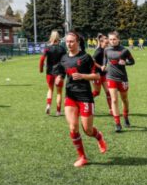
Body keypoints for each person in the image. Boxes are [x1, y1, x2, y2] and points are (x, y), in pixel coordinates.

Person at [58, 31, 107, 168]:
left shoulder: (86, 57)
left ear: (78, 42)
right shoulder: (64, 58)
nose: (69, 44)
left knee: (88, 130)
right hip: (70, 96)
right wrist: (59, 78)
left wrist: (83, 76)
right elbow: (62, 72)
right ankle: (82, 157)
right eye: (67, 41)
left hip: (85, 96)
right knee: (73, 128)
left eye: (72, 41)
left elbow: (97, 76)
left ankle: (99, 136)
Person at [103, 31, 135, 132]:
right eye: (111, 39)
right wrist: (104, 65)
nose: (112, 41)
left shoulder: (124, 50)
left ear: (118, 39)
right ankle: (117, 123)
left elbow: (132, 61)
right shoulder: (106, 49)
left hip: (122, 78)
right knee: (114, 100)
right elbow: (105, 58)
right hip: (110, 77)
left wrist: (125, 62)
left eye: (114, 39)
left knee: (124, 99)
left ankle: (125, 116)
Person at [39, 30, 66, 116]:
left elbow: (42, 59)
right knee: (59, 92)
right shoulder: (62, 49)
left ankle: (48, 105)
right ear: (58, 38)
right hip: (59, 73)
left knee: (50, 89)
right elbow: (65, 61)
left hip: (49, 72)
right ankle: (58, 111)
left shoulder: (47, 48)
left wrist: (41, 69)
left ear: (51, 37)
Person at [92, 34, 112, 115]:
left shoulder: (107, 50)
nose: (107, 45)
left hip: (104, 74)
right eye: (106, 43)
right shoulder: (98, 51)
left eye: (108, 43)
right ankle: (86, 100)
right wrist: (100, 67)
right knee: (97, 92)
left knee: (108, 92)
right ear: (101, 43)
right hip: (96, 74)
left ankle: (111, 110)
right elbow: (92, 61)